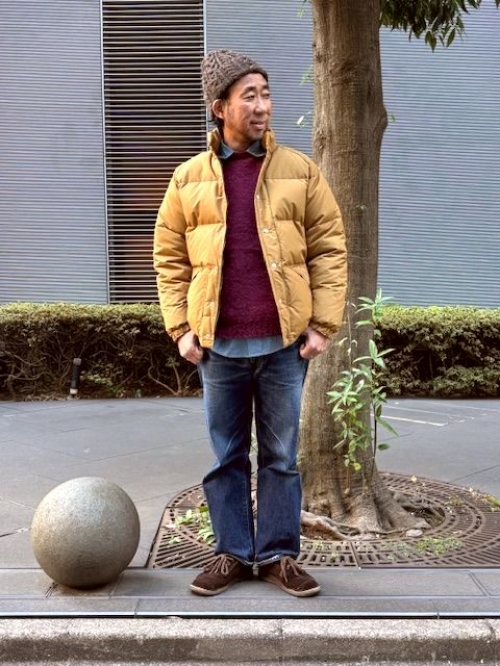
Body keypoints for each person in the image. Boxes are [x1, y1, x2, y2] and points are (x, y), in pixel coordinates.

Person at [153, 49, 347, 597]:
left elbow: (329, 249)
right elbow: (169, 259)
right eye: (249, 96)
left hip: (284, 346)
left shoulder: (299, 171)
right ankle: (234, 554)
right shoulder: (188, 179)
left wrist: (322, 325)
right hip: (217, 347)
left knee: (281, 458)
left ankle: (281, 556)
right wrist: (181, 329)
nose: (262, 106)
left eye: (266, 94)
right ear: (220, 107)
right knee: (227, 457)